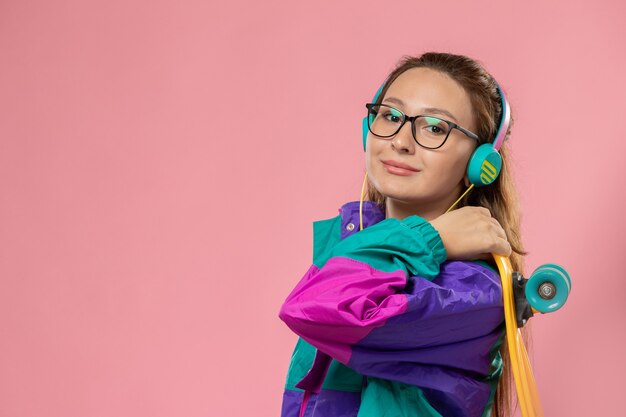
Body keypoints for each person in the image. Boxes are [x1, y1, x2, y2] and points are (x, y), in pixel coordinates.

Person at [278, 52, 527, 417]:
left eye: (434, 128)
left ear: (480, 161)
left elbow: (316, 308)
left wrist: (429, 239)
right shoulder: (355, 243)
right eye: (391, 116)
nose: (401, 141)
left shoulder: (472, 292)